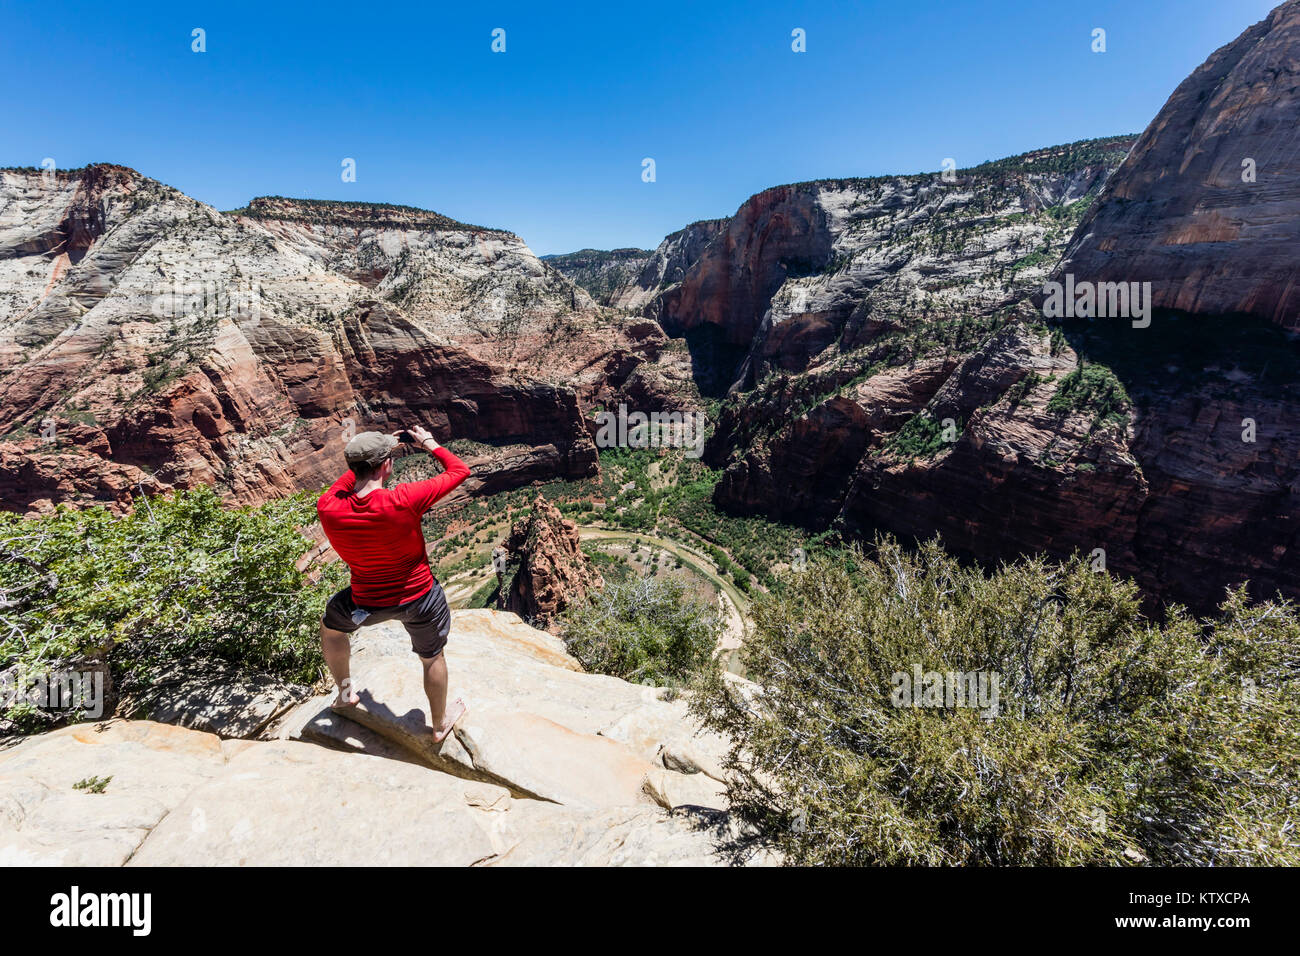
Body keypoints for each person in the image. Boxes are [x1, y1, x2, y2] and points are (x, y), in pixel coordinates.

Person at [316, 424, 471, 743]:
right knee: (432, 658)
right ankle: (440, 725)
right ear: (387, 465)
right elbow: (459, 469)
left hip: (364, 604)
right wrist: (429, 444)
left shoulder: (328, 507)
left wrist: (369, 458)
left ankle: (345, 695)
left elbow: (347, 481)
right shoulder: (404, 498)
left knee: (331, 628)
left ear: (352, 466)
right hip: (421, 600)